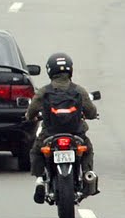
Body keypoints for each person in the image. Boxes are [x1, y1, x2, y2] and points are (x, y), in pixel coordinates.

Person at [24, 52, 98, 199]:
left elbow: (31, 112)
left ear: (50, 70)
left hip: (49, 135)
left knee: (36, 151)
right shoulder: (79, 91)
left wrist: (29, 117)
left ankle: (39, 180)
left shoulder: (44, 92)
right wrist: (90, 115)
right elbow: (91, 112)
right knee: (87, 150)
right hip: (76, 134)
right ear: (70, 70)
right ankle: (86, 174)